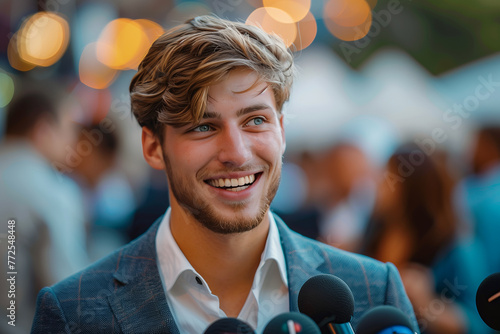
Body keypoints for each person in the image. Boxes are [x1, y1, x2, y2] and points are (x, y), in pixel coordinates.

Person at [31, 16, 418, 333]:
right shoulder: (73, 312)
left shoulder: (371, 290)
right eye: (202, 126)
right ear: (152, 147)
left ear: (281, 130)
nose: (236, 153)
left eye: (255, 120)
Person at [0, 91, 88, 333]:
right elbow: (67, 289)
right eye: (69, 127)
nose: (72, 139)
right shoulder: (52, 190)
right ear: (43, 129)